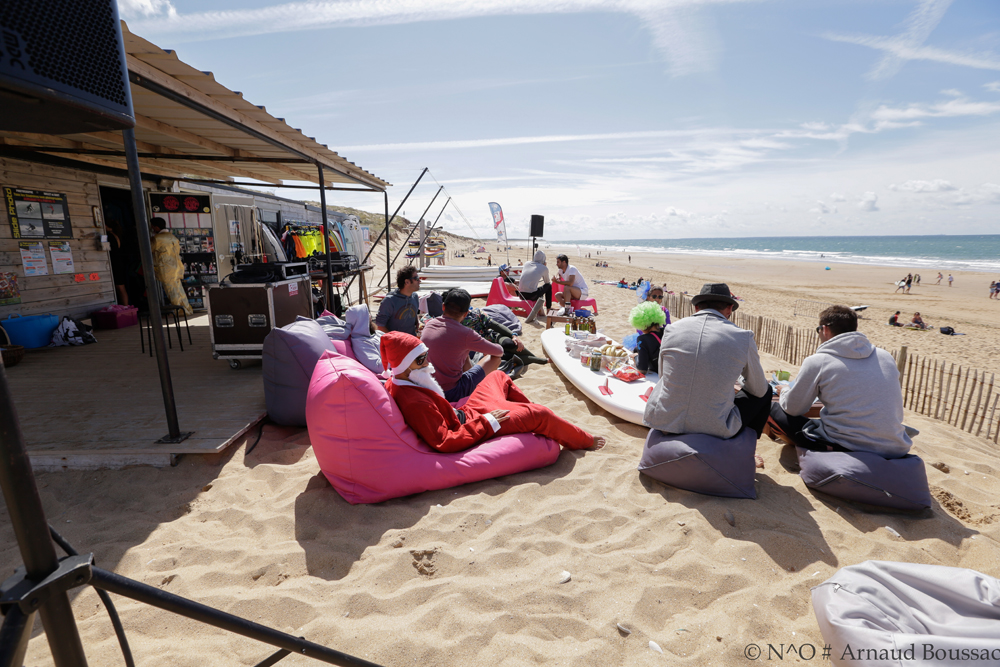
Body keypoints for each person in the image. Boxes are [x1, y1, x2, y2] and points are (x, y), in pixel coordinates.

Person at [381, 332, 606, 452]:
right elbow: (445, 441)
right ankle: (584, 440)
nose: (427, 363)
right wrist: (487, 422)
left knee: (499, 376)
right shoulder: (414, 403)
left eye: (425, 356)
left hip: (466, 411)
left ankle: (526, 415)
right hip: (473, 422)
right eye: (421, 359)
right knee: (542, 414)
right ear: (404, 366)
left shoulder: (400, 380)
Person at [768, 306, 912, 458]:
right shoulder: (885, 356)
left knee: (773, 409)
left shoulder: (818, 361)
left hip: (847, 446)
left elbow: (793, 409)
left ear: (824, 329)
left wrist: (784, 390)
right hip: (894, 445)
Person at [643, 283, 773, 442]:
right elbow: (758, 390)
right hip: (715, 427)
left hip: (664, 419)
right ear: (729, 309)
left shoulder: (672, 330)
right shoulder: (743, 337)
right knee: (766, 391)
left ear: (697, 307)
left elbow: (664, 376)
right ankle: (746, 446)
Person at [421, 289, 506, 402]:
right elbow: (499, 352)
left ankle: (472, 384)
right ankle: (477, 388)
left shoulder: (429, 324)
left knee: (463, 351)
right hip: (451, 393)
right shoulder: (466, 334)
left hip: (428, 388)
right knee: (495, 358)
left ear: (443, 307)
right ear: (466, 314)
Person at [150, 217, 193, 316]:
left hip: (166, 268)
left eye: (152, 227)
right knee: (179, 289)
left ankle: (179, 311)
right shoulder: (173, 237)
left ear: (156, 227)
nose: (152, 229)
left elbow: (149, 250)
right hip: (177, 266)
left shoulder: (157, 238)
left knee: (171, 290)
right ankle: (186, 309)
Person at [375, 266, 420, 335]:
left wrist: (417, 322)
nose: (419, 281)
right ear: (407, 282)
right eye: (416, 279)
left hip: (412, 339)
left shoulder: (415, 297)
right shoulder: (389, 301)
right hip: (395, 341)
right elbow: (380, 326)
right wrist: (395, 339)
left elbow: (413, 313)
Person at [344, 303, 383, 375]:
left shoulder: (377, 333)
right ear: (362, 320)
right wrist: (398, 354)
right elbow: (379, 367)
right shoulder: (361, 343)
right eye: (367, 315)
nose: (371, 316)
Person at [629, 302, 665, 375]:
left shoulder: (643, 339)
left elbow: (642, 369)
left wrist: (635, 356)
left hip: (659, 376)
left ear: (644, 324)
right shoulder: (667, 331)